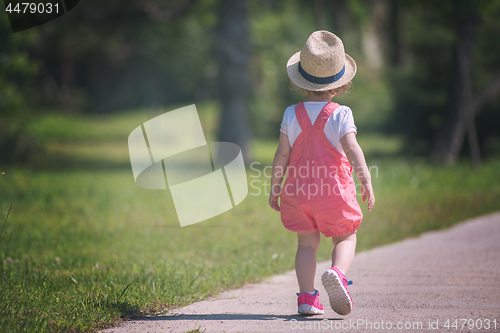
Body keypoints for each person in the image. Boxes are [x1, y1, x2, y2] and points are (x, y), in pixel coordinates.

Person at [269, 30, 375, 316]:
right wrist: (365, 180)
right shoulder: (341, 113)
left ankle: (306, 298)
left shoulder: (291, 113)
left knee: (306, 243)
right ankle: (338, 274)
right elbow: (353, 149)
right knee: (345, 237)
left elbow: (282, 154)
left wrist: (274, 187)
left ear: (301, 82)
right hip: (332, 192)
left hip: (298, 193)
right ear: (339, 86)